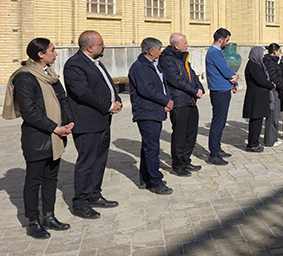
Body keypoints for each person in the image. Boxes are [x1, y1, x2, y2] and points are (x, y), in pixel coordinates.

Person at [2, 38, 75, 239]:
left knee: (51, 178)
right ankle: (33, 221)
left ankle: (49, 216)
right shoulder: (25, 77)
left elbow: (63, 100)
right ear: (40, 54)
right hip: (37, 137)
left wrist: (69, 121)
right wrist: (54, 128)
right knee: (34, 180)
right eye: (52, 50)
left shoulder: (50, 74)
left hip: (56, 135)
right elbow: (29, 112)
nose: (56, 53)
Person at [63, 30, 121, 219]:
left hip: (102, 121)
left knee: (100, 160)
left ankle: (94, 194)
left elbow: (107, 85)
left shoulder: (96, 61)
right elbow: (83, 93)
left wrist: (116, 99)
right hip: (87, 123)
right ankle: (80, 202)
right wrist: (108, 105)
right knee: (87, 162)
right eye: (101, 44)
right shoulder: (74, 65)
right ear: (90, 47)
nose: (104, 46)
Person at [128, 37, 173, 195]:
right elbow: (146, 89)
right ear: (151, 51)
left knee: (148, 146)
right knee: (152, 148)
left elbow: (162, 85)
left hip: (156, 110)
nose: (161, 52)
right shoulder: (139, 67)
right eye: (159, 49)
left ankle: (145, 178)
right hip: (147, 111)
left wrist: (166, 100)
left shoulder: (154, 64)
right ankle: (155, 181)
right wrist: (165, 100)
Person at [158, 33, 205, 177]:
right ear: (177, 45)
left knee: (191, 132)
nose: (187, 44)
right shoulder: (166, 59)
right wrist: (194, 91)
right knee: (180, 133)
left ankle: (186, 160)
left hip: (190, 100)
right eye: (185, 43)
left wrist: (200, 88)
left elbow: (192, 75)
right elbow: (176, 80)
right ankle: (177, 164)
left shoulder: (183, 57)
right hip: (179, 101)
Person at [205, 28, 239, 166]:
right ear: (221, 40)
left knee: (221, 122)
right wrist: (234, 78)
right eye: (227, 40)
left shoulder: (217, 52)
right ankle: (214, 154)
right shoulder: (214, 52)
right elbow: (226, 71)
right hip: (219, 92)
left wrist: (234, 82)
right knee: (218, 123)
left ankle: (217, 148)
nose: (228, 43)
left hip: (223, 90)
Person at [242, 47, 276, 152]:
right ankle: (252, 144)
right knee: (255, 122)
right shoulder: (253, 65)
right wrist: (271, 85)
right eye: (261, 54)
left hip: (259, 98)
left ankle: (254, 142)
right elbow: (261, 80)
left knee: (258, 121)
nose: (263, 56)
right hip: (255, 99)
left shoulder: (257, 65)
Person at [263, 43, 283, 147]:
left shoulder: (273, 61)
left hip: (277, 90)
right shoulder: (269, 62)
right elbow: (274, 78)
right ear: (274, 51)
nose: (280, 53)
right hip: (273, 91)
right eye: (279, 51)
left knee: (275, 116)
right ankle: (270, 140)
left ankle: (273, 138)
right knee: (273, 116)